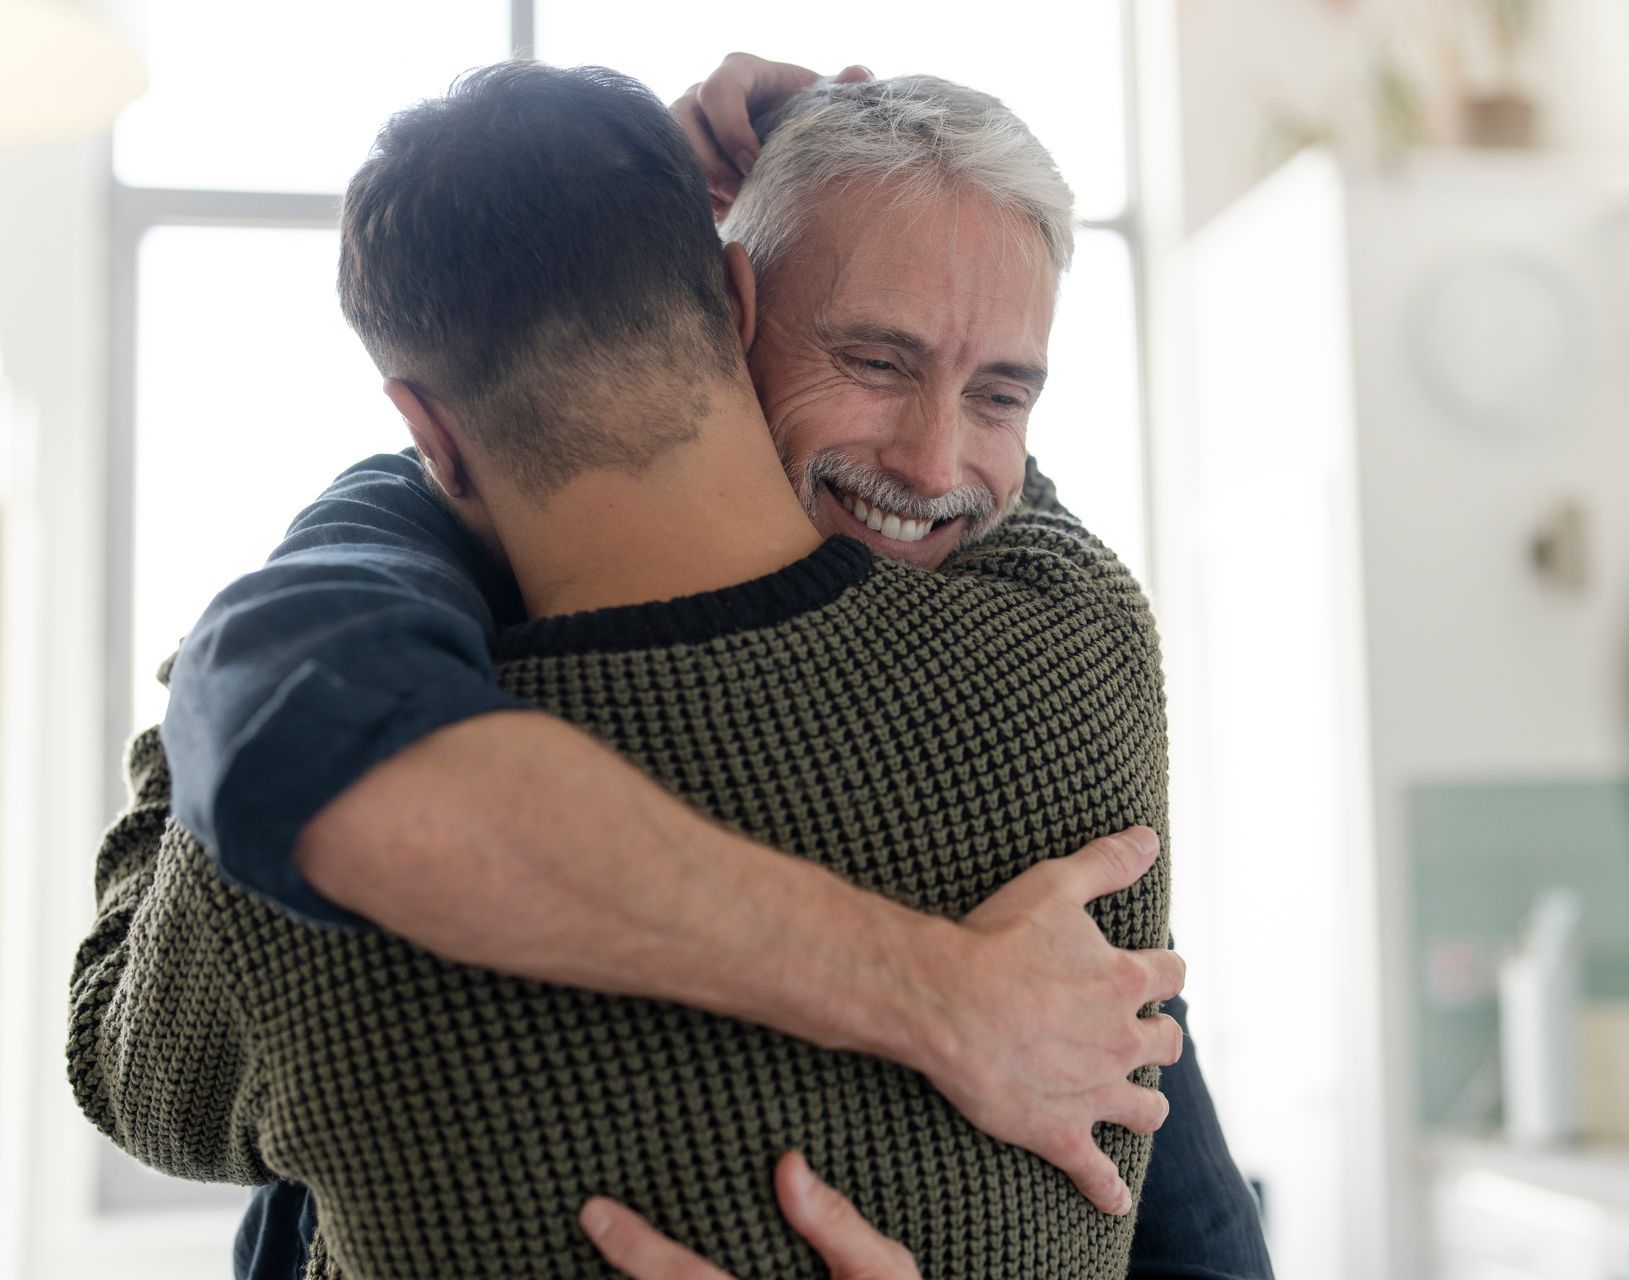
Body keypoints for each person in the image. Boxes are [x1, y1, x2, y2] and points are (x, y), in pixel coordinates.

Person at [159, 56, 1270, 1279]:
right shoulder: (1071, 638)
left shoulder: (1051, 659)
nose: (934, 462)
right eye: (877, 363)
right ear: (725, 319)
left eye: (1003, 393)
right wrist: (944, 990)